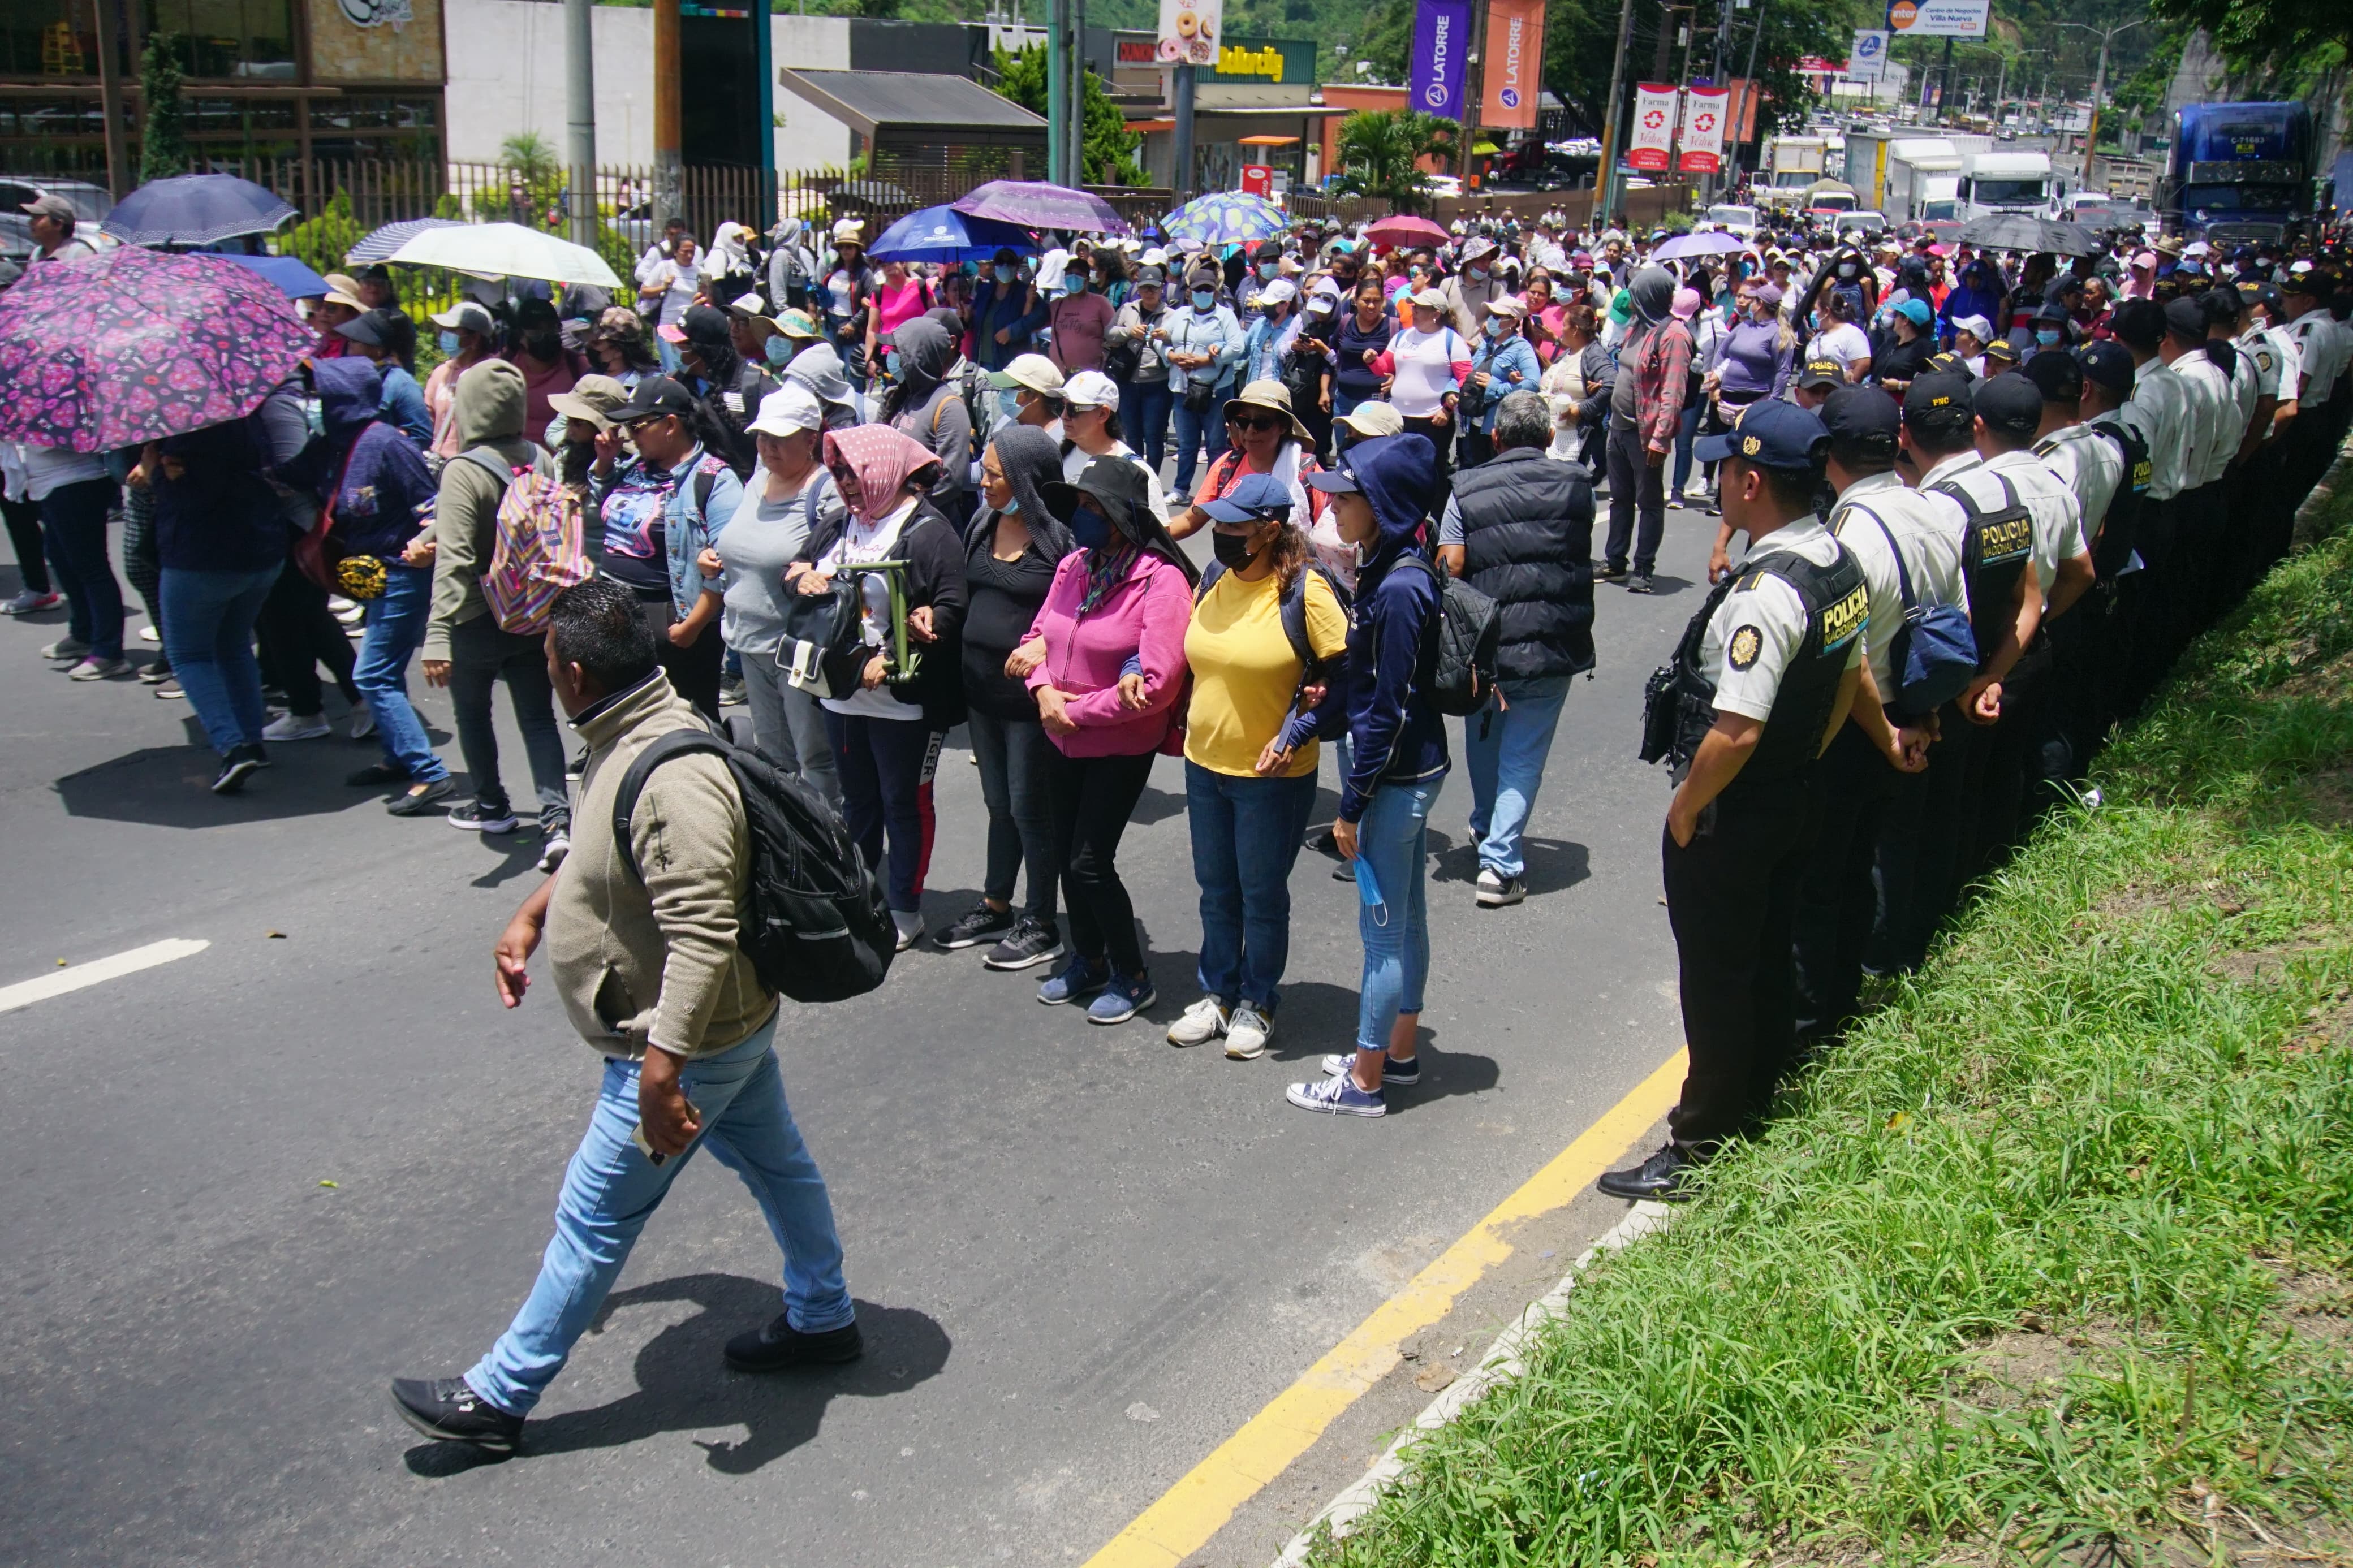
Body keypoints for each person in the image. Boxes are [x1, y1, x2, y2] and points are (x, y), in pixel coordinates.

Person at [391, 576, 860, 1456]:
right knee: (780, 1167)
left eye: (544, 663)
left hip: (695, 1039)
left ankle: (499, 1395)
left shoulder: (672, 772)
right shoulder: (624, 728)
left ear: (571, 671)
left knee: (594, 1215)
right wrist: (537, 910)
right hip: (729, 1032)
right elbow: (609, 851)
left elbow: (705, 930)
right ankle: (825, 1313)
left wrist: (661, 1068)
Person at [1598, 400, 1869, 1199]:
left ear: (1751, 482)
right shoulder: (1836, 560)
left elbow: (1738, 729)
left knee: (1715, 978)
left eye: (1723, 470)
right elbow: (1847, 680)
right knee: (1766, 958)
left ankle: (1701, 1144)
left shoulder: (1769, 593)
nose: (1714, 480)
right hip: (1793, 794)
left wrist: (1686, 806)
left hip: (1737, 810)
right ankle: (1756, 1103)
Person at [1789, 386, 1958, 1047]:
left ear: (1829, 452)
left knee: (1820, 883)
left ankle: (1810, 1030)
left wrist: (1885, 733)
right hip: (1913, 715)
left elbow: (1848, 657)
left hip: (1861, 727)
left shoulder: (1850, 531)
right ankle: (1849, 1000)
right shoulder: (1932, 510)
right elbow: (1953, 625)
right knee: (1868, 865)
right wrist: (1923, 717)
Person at [1287, 433, 1447, 1117]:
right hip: (1407, 776)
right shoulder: (1388, 569)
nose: (1332, 505)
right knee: (1405, 923)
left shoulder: (1403, 585)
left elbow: (1388, 711)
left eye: (1346, 496)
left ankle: (1364, 1081)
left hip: (1394, 782)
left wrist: (1349, 805)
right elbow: (1364, 683)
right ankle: (1396, 1052)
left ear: (1380, 504)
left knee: (1381, 931)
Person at [1165, 472, 1350, 1060]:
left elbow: (1346, 676)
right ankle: (1216, 993)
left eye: (1234, 525)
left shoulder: (1306, 590)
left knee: (1260, 893)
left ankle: (1258, 998)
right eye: (1217, 522)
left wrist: (1296, 730)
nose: (1219, 533)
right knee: (1216, 889)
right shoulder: (1216, 575)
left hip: (1271, 778)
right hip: (1204, 762)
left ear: (1270, 530)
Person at [1011, 457, 1196, 1025]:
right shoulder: (1073, 566)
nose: (1082, 517)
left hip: (1117, 742)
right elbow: (1037, 637)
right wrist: (1045, 694)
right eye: (1079, 506)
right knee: (1065, 856)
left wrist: (1078, 712)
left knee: (1091, 861)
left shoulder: (1159, 579)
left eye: (1094, 507)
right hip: (1060, 733)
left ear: (1122, 517)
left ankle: (1131, 974)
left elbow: (1160, 682)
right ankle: (1086, 959)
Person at [790, 425, 968, 953]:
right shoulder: (839, 522)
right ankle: (860, 897)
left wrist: (903, 646)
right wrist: (799, 577)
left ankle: (904, 909)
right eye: (837, 471)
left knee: (903, 804)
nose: (842, 482)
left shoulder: (929, 531)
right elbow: (798, 566)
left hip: (903, 704)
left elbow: (954, 604)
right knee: (859, 803)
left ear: (883, 470)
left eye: (852, 471)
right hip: (841, 694)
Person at [1436, 391, 1594, 908]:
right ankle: (1501, 865)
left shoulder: (1466, 487)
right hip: (1553, 640)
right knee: (1523, 753)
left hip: (1488, 645)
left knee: (1485, 738)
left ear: (1496, 437)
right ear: (1550, 438)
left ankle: (1488, 831)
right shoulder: (1578, 485)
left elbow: (1452, 565)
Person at [418, 360, 574, 847]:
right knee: (537, 716)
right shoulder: (539, 456)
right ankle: (556, 820)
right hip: (530, 612)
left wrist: (437, 635)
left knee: (473, 712)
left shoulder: (462, 470)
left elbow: (456, 556)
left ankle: (491, 805)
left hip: (474, 618)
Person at [937, 426, 1071, 972]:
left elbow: (1081, 610)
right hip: (981, 694)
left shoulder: (1061, 539)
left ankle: (1041, 920)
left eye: (993, 473)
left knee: (1029, 808)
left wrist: (1046, 640)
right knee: (998, 806)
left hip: (1027, 704)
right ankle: (996, 903)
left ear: (1026, 479)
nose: (983, 480)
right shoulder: (981, 521)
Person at [288, 357, 452, 800]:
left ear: (343, 399)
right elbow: (285, 474)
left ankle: (428, 769)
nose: (314, 406)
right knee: (387, 671)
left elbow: (434, 513)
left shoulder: (388, 446)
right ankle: (398, 757)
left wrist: (425, 549)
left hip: (403, 572)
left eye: (320, 398)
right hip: (369, 577)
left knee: (372, 675)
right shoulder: (330, 446)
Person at [150, 394, 311, 794]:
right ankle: (252, 738)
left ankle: (233, 746)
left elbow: (191, 500)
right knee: (233, 645)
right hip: (261, 551)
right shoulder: (248, 418)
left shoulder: (190, 433)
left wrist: (156, 471)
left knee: (188, 653)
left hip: (202, 559)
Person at [709, 384, 843, 798]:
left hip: (798, 651)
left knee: (816, 759)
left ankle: (834, 852)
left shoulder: (826, 492)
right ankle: (793, 849)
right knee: (772, 759)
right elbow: (742, 544)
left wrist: (814, 574)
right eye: (762, 437)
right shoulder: (757, 480)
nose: (767, 447)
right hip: (749, 644)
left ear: (810, 440)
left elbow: (839, 565)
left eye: (779, 438)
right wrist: (713, 558)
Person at [592, 376, 745, 722]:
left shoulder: (713, 479)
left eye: (637, 425)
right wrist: (604, 463)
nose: (629, 434)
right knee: (630, 715)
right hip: (620, 610)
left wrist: (692, 625)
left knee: (688, 718)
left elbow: (727, 562)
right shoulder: (635, 467)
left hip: (672, 619)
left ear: (671, 425)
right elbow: (605, 511)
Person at [1602, 266, 1691, 594]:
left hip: (1646, 433)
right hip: (1619, 427)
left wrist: (1660, 437)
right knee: (1620, 498)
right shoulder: (1639, 327)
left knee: (1649, 502)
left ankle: (1643, 568)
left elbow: (1673, 391)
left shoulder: (1675, 335)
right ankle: (1615, 561)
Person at [14, 436, 122, 679]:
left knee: (92, 569)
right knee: (60, 559)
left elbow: (51, 441)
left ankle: (109, 652)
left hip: (75, 483)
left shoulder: (66, 401)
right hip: (50, 486)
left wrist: (18, 432)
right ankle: (84, 634)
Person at [1372, 288, 1469, 495]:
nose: (1413, 311)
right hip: (1398, 417)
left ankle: (1436, 521)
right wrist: (1372, 360)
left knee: (1431, 473)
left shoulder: (1452, 341)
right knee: (1398, 469)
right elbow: (1384, 367)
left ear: (1436, 314)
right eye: (1413, 307)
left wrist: (1448, 409)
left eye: (1419, 309)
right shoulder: (1402, 337)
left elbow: (1465, 379)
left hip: (1434, 419)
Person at [1160, 262, 1244, 497]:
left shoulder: (1225, 316)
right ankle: (1180, 488)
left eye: (1208, 290)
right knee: (1187, 444)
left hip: (1215, 390)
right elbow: (1160, 340)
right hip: (1183, 389)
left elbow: (1238, 347)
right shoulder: (1180, 315)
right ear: (1190, 292)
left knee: (1216, 444)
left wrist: (1206, 360)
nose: (1203, 294)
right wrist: (1173, 356)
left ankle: (1213, 491)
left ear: (1216, 292)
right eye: (1198, 290)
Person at [1058, 370, 1170, 517]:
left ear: (1103, 414)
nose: (1064, 416)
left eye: (1073, 409)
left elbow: (1158, 535)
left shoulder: (1137, 473)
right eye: (1062, 407)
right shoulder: (1056, 457)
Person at [1459, 296, 1542, 470]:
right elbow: (1470, 371)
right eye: (1491, 315)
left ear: (1512, 321)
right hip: (1476, 421)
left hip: (1500, 424)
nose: (1492, 319)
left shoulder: (1521, 347)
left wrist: (1496, 386)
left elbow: (1533, 383)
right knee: (1479, 471)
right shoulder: (1485, 344)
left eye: (1497, 316)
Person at [1105, 265, 1173, 470]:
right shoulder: (1128, 309)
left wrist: (1167, 336)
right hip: (1128, 382)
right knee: (1132, 437)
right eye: (1145, 288)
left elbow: (1181, 340)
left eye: (1154, 288)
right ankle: (1134, 478)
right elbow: (1109, 333)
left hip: (1157, 383)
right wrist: (1128, 331)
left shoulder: (1171, 314)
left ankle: (1152, 479)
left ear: (1162, 288)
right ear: (1138, 289)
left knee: (1153, 437)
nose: (1149, 293)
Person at [335, 310, 432, 446]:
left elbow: (421, 436)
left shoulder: (402, 384)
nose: (349, 343)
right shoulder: (350, 377)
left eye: (356, 340)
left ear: (378, 349)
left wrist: (386, 441)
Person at [501, 298, 588, 450]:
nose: (545, 337)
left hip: (559, 458)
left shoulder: (578, 366)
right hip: (512, 457)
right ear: (521, 335)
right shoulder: (504, 365)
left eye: (551, 330)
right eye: (536, 333)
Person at [1540, 301, 1613, 469]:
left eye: (1564, 325)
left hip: (1570, 436)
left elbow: (1611, 384)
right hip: (1551, 431)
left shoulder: (1593, 355)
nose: (1561, 329)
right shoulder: (1570, 352)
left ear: (1575, 330)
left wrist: (1581, 410)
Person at [1331, 278, 1397, 441]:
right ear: (1356, 300)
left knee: (1370, 448)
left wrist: (1395, 378)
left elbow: (1403, 362)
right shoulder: (1345, 322)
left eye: (1377, 301)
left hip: (1375, 400)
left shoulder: (1394, 326)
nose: (1371, 306)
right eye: (1366, 301)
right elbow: (1332, 355)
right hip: (1344, 399)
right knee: (1343, 447)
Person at [966, 247, 1045, 373]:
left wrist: (1012, 331)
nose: (1005, 265)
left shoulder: (1026, 292)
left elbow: (1043, 316)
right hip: (981, 363)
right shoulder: (985, 291)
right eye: (1000, 262)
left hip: (1011, 365)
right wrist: (965, 317)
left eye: (1010, 262)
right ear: (994, 266)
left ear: (1017, 266)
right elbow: (974, 320)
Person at [1048, 256, 1116, 377]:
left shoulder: (1100, 303)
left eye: (1079, 274)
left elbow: (1115, 333)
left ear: (1087, 279)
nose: (1073, 277)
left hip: (1090, 375)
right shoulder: (1056, 305)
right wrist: (1029, 301)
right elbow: (1032, 324)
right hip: (1059, 376)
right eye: (1070, 274)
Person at [863, 256, 933, 373]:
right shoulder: (879, 292)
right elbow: (872, 329)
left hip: (920, 352)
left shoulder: (921, 287)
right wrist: (869, 359)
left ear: (903, 263)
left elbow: (936, 319)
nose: (887, 268)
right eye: (883, 266)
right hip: (891, 356)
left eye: (891, 263)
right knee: (894, 391)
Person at [20, 192, 94, 263]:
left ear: (58, 224)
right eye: (32, 217)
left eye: (37, 217)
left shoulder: (81, 256)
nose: (31, 222)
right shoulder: (36, 255)